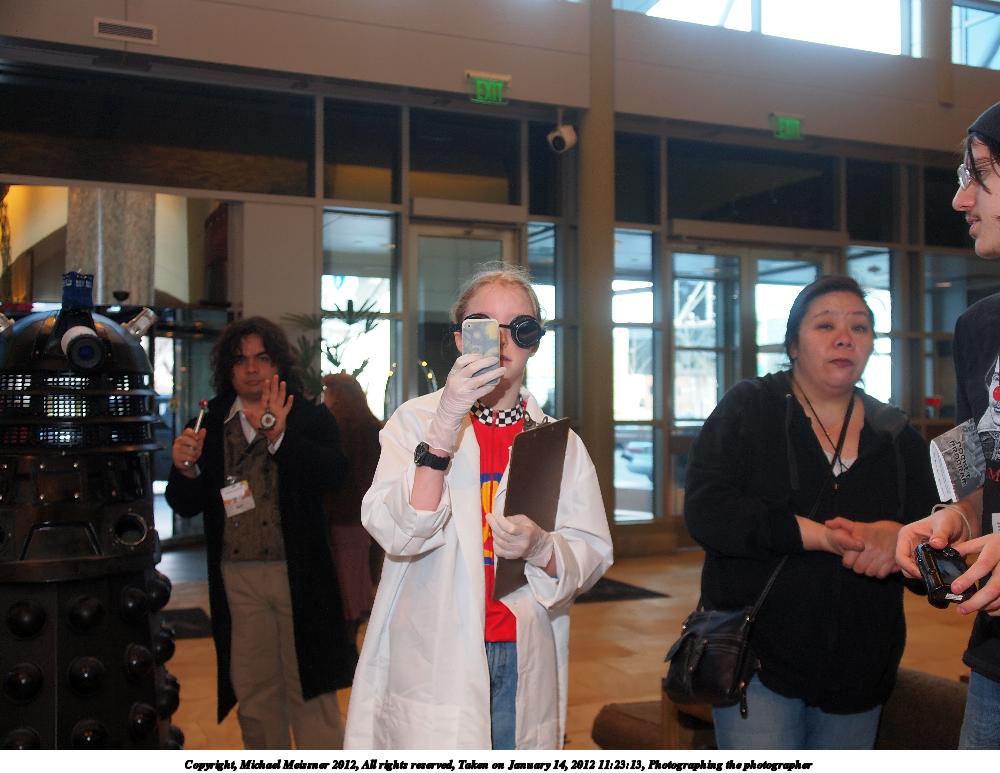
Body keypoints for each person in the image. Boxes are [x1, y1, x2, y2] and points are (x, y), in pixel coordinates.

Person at [343, 265, 613, 750]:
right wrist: (444, 427)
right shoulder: (415, 422)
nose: (503, 340)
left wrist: (543, 548)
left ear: (534, 342)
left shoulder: (557, 442)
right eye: (484, 327)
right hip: (434, 654)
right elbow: (396, 530)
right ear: (459, 339)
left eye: (520, 327)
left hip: (520, 649)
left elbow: (590, 555)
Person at [685, 275, 938, 750]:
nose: (845, 338)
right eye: (825, 325)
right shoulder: (751, 408)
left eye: (859, 327)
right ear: (793, 345)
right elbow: (708, 511)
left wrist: (901, 541)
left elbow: (935, 561)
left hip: (861, 668)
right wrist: (816, 535)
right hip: (756, 658)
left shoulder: (896, 435)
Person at [166, 316, 357, 749]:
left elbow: (336, 475)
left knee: (312, 693)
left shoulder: (308, 416)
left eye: (262, 357)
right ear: (227, 368)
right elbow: (184, 503)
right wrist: (185, 468)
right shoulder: (208, 420)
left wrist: (282, 438)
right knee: (254, 693)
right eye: (240, 360)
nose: (251, 368)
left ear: (278, 364)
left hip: (300, 574)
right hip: (238, 577)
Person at [895, 100, 1000, 750]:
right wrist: (958, 517)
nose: (961, 199)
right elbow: (986, 475)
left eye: (980, 174)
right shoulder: (977, 328)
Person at [322, 372, 382, 634]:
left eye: (327, 393)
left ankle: (348, 642)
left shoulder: (338, 432)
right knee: (358, 579)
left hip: (345, 516)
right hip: (367, 516)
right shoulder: (373, 429)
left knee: (347, 585)